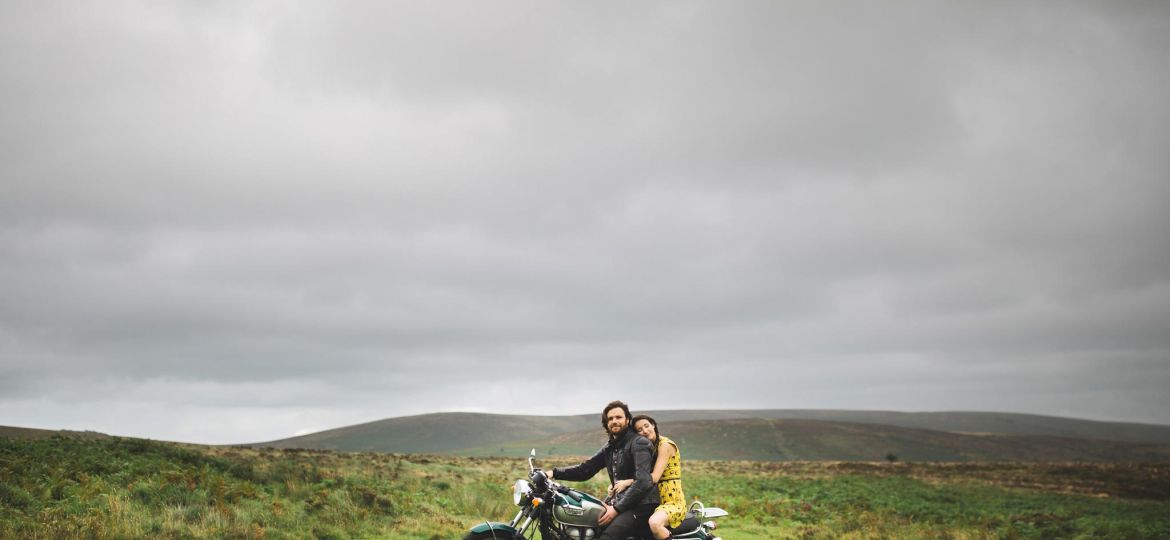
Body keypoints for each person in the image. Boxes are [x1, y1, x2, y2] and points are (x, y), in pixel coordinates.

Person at [548, 400, 660, 540]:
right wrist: (553, 473)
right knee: (588, 526)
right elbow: (586, 470)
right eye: (610, 418)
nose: (614, 421)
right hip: (622, 503)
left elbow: (643, 482)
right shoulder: (611, 446)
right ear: (606, 423)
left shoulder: (638, 443)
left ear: (627, 420)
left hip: (643, 505)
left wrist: (617, 509)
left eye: (618, 417)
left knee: (607, 537)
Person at [611, 415, 685, 540]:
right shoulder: (647, 447)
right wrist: (616, 484)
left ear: (653, 425)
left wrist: (627, 482)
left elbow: (654, 477)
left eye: (647, 426)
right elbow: (640, 474)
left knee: (655, 523)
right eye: (639, 430)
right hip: (652, 499)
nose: (645, 431)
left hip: (670, 500)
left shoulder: (664, 445)